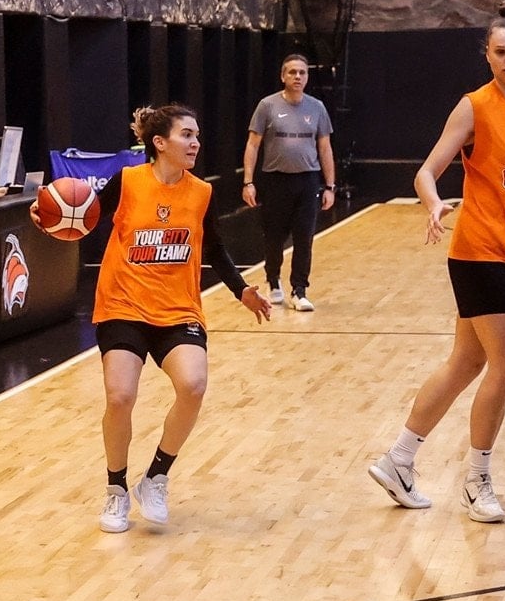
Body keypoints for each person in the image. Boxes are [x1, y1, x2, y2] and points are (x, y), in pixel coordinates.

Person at [368, 0, 505, 523]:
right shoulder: (474, 107)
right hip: (477, 250)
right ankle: (477, 480)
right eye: (500, 51)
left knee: (466, 362)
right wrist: (434, 203)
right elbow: (425, 171)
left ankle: (398, 460)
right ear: (487, 54)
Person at [31, 104, 272, 533]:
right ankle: (116, 489)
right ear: (159, 143)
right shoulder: (128, 181)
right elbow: (81, 217)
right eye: (186, 135)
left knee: (193, 386)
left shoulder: (201, 192)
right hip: (123, 305)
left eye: (197, 135)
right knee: (120, 397)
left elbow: (214, 247)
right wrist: (48, 219)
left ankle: (155, 477)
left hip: (178, 309)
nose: (196, 143)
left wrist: (242, 290)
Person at [241, 53, 336, 312]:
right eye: (292, 72)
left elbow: (325, 147)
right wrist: (248, 182)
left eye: (302, 72)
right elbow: (253, 145)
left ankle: (299, 290)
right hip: (275, 181)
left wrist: (330, 186)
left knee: (304, 237)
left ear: (307, 77)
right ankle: (273, 280)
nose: (297, 77)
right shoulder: (267, 106)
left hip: (307, 181)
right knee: (274, 237)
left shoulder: (317, 108)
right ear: (283, 76)